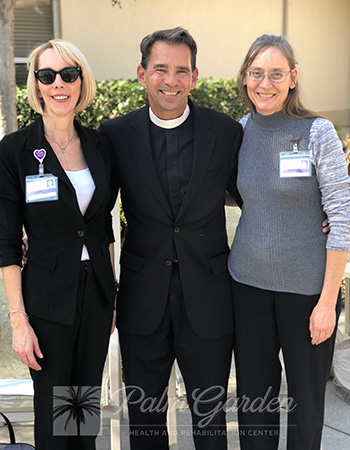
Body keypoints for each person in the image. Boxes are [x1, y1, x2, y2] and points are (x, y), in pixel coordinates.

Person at [100, 27, 242, 450]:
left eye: (182, 70)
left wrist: (315, 220)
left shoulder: (225, 132)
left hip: (210, 297)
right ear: (141, 74)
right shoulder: (115, 134)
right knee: (144, 422)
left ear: (195, 77)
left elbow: (255, 197)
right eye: (160, 68)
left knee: (211, 422)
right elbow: (94, 214)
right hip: (143, 300)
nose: (171, 80)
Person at [227, 34, 350, 450]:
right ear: (245, 78)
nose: (266, 83)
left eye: (276, 74)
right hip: (247, 289)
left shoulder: (318, 131)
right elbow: (234, 192)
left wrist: (327, 302)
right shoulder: (239, 132)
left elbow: (343, 218)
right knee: (254, 405)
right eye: (257, 73)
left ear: (293, 78)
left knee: (306, 407)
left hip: (308, 295)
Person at [0, 39, 116, 450]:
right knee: (54, 415)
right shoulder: (14, 151)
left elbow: (103, 227)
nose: (58, 84)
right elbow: (6, 242)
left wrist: (112, 293)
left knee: (83, 413)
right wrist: (19, 321)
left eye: (69, 74)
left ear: (81, 81)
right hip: (47, 301)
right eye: (47, 76)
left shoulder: (100, 145)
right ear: (36, 84)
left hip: (97, 296)